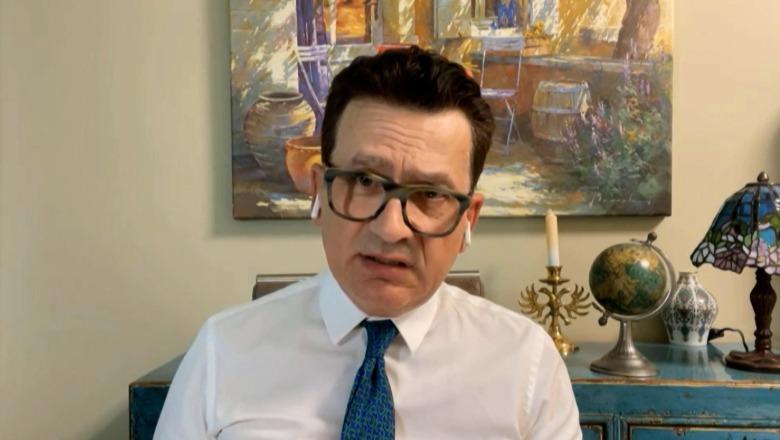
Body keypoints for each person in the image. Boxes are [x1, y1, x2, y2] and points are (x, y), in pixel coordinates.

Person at [154, 46, 581, 439]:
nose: (391, 228)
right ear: (318, 191)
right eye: (363, 180)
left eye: (430, 194)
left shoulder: (526, 367)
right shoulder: (223, 352)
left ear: (468, 219)